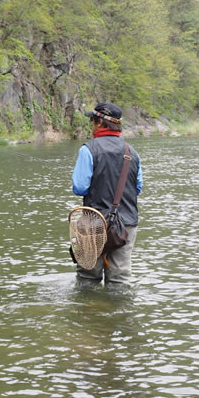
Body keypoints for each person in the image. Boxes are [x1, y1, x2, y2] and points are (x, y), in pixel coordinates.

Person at [71, 102, 142, 285]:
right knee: (121, 279)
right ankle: (118, 313)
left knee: (87, 278)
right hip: (126, 224)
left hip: (94, 222)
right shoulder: (132, 152)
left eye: (92, 121)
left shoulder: (88, 149)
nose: (91, 125)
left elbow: (79, 187)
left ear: (100, 123)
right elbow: (138, 188)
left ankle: (89, 312)